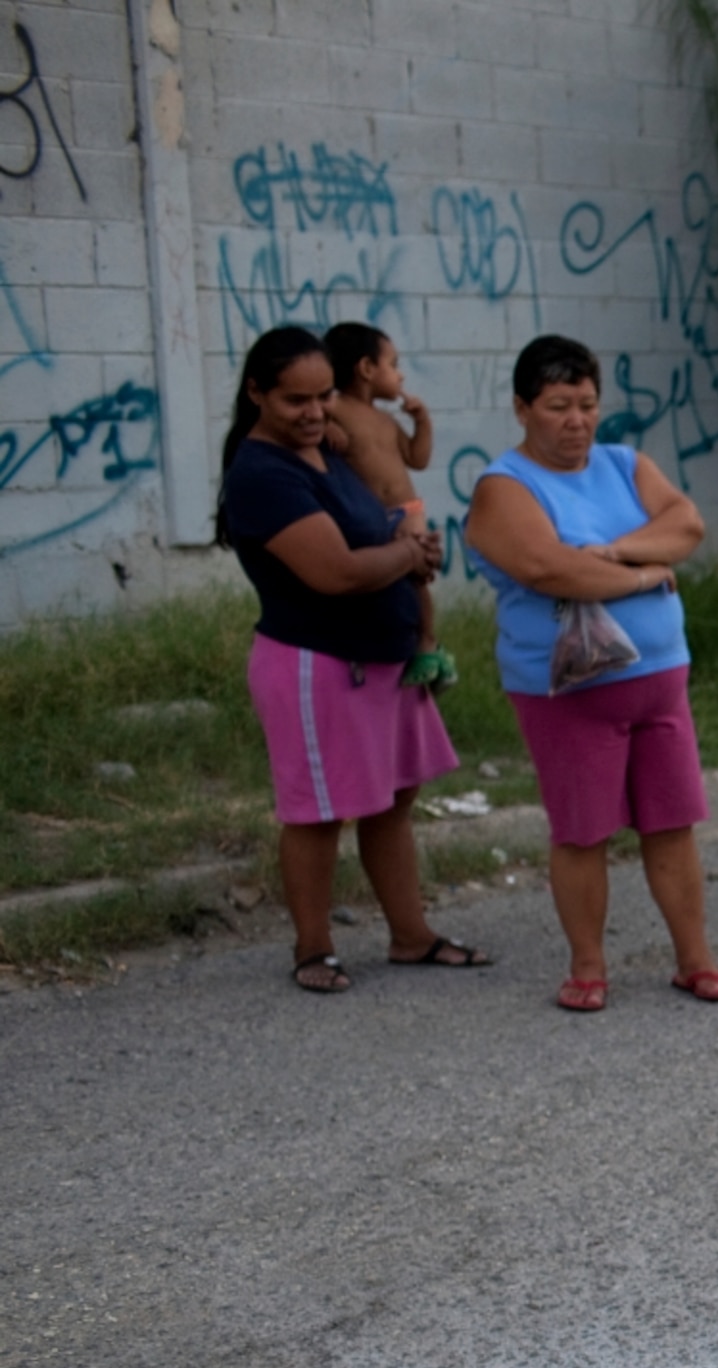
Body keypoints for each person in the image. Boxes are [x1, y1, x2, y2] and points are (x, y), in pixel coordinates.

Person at [463, 333, 718, 1014]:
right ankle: (588, 965)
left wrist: (614, 551)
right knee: (583, 829)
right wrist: (649, 575)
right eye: (558, 406)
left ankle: (695, 959)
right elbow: (549, 568)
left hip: (660, 680)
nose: (577, 420)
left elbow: (687, 524)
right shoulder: (504, 487)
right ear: (522, 407)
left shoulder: (623, 463)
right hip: (569, 693)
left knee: (672, 822)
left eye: (587, 404)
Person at [214, 324, 491, 993]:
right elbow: (334, 572)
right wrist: (410, 555)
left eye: (323, 396)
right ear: (256, 393)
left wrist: (399, 548)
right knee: (317, 811)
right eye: (294, 401)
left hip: (383, 658)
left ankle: (411, 935)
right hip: (318, 664)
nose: (314, 413)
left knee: (393, 800)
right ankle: (313, 948)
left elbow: (377, 519)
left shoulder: (327, 449)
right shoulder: (260, 475)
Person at [319, 322, 455, 694]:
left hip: (406, 509)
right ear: (366, 369)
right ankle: (398, 646)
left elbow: (418, 457)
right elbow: (315, 415)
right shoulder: (335, 408)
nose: (400, 374)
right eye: (393, 365)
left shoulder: (387, 420)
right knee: (384, 580)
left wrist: (422, 421)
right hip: (371, 518)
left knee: (418, 577)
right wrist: (326, 427)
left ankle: (427, 644)